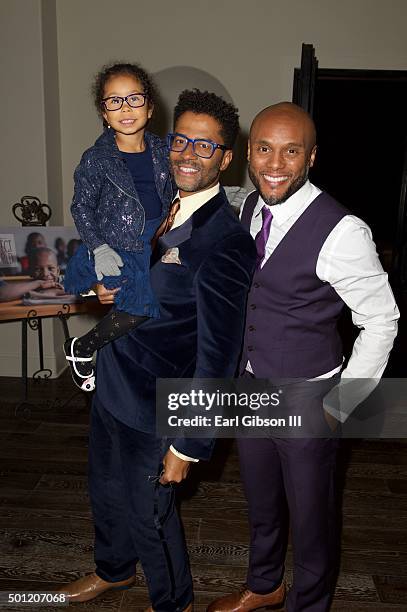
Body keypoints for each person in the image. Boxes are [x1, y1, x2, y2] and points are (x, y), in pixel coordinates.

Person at [57, 89, 256, 610]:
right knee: (105, 493)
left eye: (205, 146)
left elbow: (219, 356)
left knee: (152, 514)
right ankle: (114, 570)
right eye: (182, 139)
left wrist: (188, 444)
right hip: (114, 383)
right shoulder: (160, 206)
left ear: (226, 159)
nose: (189, 153)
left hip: (160, 407)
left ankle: (175, 602)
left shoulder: (227, 243)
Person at [207, 102, 399, 612]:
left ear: (311, 157)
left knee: (313, 518)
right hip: (251, 387)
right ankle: (265, 584)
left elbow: (381, 320)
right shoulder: (248, 207)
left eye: (291, 152)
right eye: (265, 149)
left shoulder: (343, 230)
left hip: (309, 395)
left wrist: (341, 405)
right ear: (248, 152)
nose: (275, 164)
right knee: (262, 501)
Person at [63, 62, 173, 392]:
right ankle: (81, 347)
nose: (125, 108)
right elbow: (80, 208)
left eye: (134, 99)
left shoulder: (163, 149)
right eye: (115, 101)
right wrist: (99, 250)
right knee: (140, 305)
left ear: (150, 107)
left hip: (159, 240)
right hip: (120, 246)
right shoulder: (96, 159)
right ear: (104, 112)